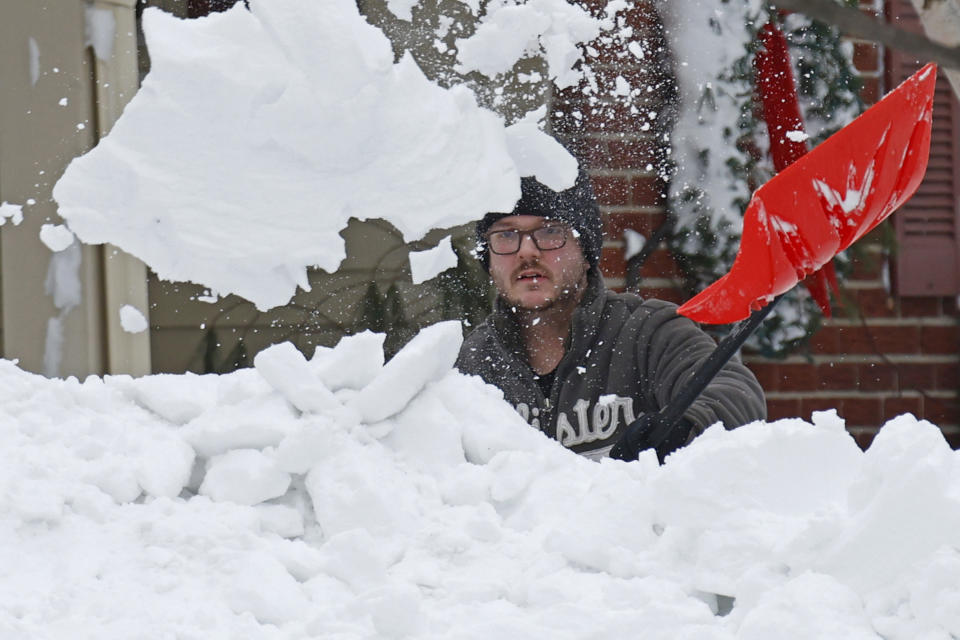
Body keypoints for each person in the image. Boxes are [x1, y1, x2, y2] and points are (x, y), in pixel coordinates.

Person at [455, 171, 766, 462]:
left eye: (550, 232)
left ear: (585, 252)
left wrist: (684, 426)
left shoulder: (648, 333)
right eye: (506, 236)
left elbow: (734, 392)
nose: (526, 252)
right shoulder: (470, 364)